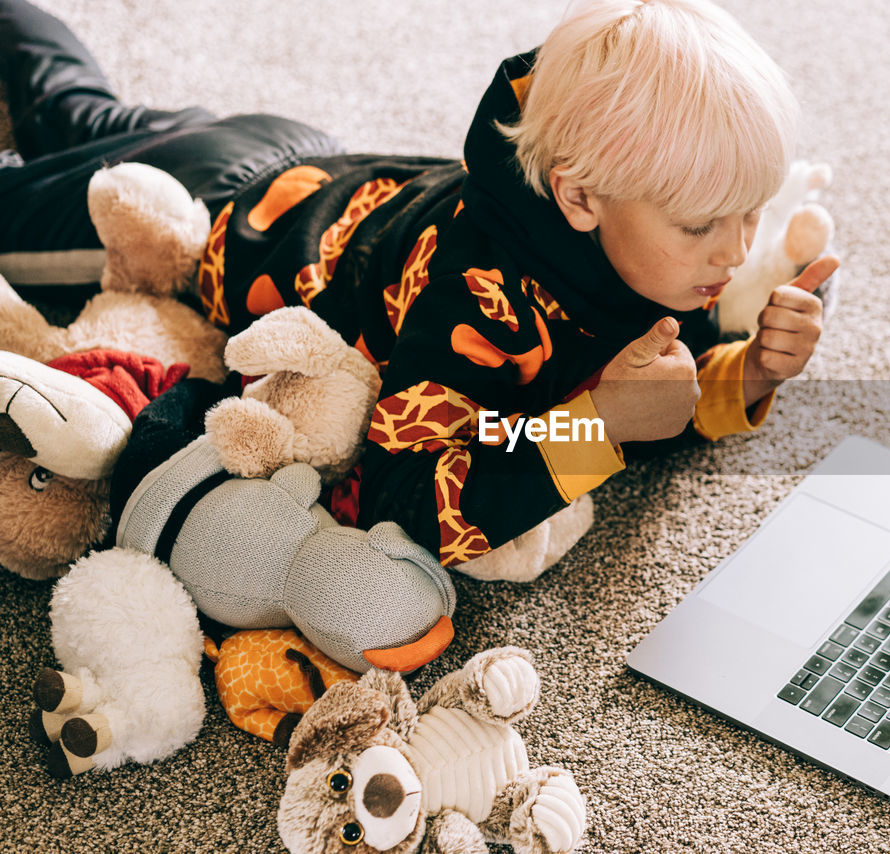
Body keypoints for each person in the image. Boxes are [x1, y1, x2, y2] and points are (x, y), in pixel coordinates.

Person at [0, 0, 837, 567]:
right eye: (703, 227)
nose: (734, 255)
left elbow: (666, 388)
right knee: (37, 188)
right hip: (216, 215)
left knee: (75, 109)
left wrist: (752, 370)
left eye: (750, 216)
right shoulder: (476, 303)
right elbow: (402, 500)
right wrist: (600, 427)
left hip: (298, 154)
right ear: (580, 197)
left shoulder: (648, 252)